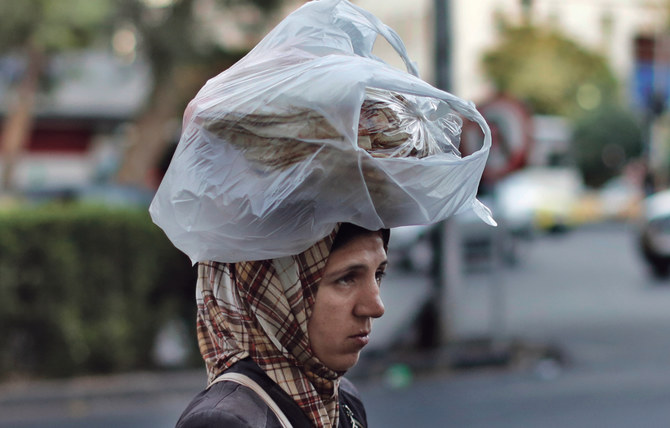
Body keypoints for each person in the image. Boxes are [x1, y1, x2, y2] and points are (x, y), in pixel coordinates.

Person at [176, 223, 390, 428]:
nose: (376, 307)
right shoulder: (225, 421)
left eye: (378, 274)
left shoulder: (344, 399)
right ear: (272, 294)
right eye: (346, 278)